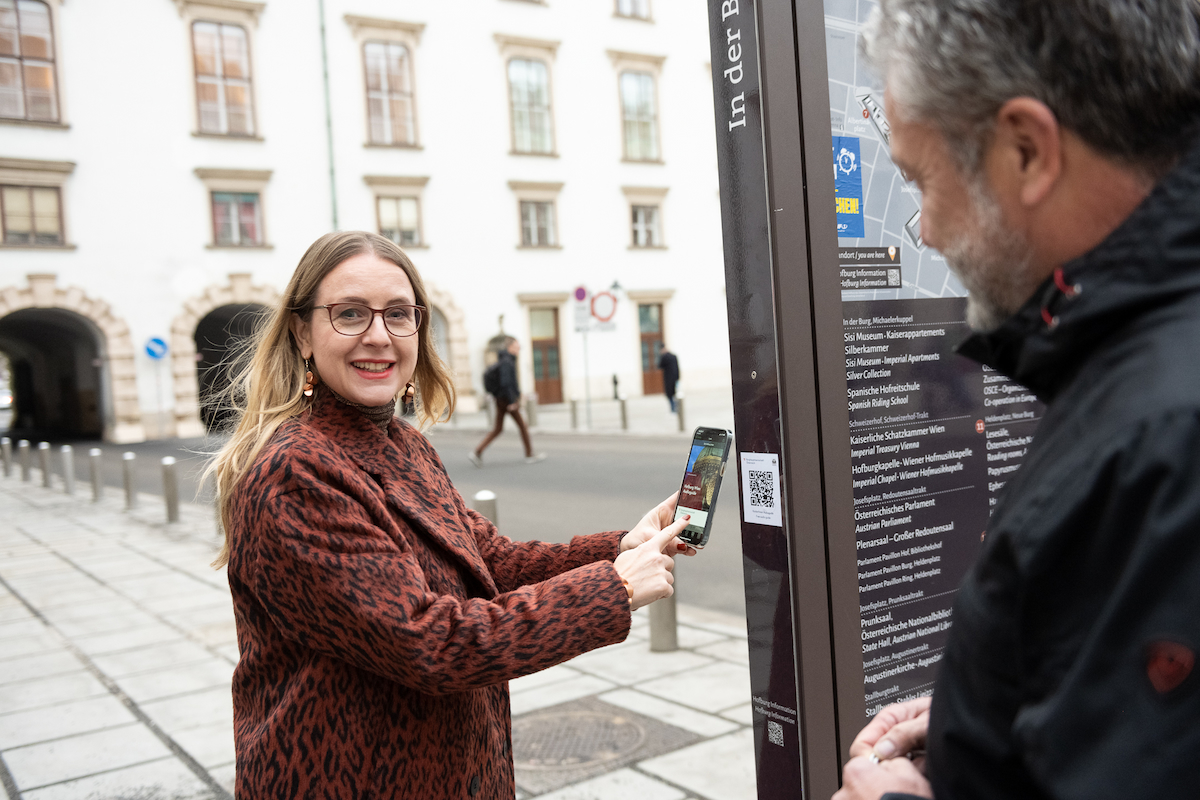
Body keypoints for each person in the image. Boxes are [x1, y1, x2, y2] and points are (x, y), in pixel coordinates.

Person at [834, 2, 1200, 799]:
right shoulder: (1141, 362)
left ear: (1027, 150)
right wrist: (991, 713)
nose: (923, 230)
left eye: (921, 179)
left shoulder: (1162, 442)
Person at [207, 231, 696, 799]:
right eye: (349, 314)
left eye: (398, 314)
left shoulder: (404, 443)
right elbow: (428, 643)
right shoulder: (295, 474)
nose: (378, 336)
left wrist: (619, 548)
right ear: (302, 333)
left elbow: (492, 561)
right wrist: (610, 589)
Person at [470, 337, 543, 465]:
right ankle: (529, 454)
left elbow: (510, 383)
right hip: (506, 400)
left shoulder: (505, 360)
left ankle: (477, 452)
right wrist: (512, 401)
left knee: (498, 429)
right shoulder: (507, 361)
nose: (518, 348)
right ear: (510, 347)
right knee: (523, 426)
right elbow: (506, 383)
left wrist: (518, 394)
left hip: (501, 399)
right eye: (516, 346)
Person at [658, 346, 680, 412]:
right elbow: (677, 367)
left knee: (670, 394)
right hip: (675, 377)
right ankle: (676, 406)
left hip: (668, 378)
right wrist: (678, 377)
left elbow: (660, 366)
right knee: (675, 393)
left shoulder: (664, 357)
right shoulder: (674, 356)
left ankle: (673, 407)